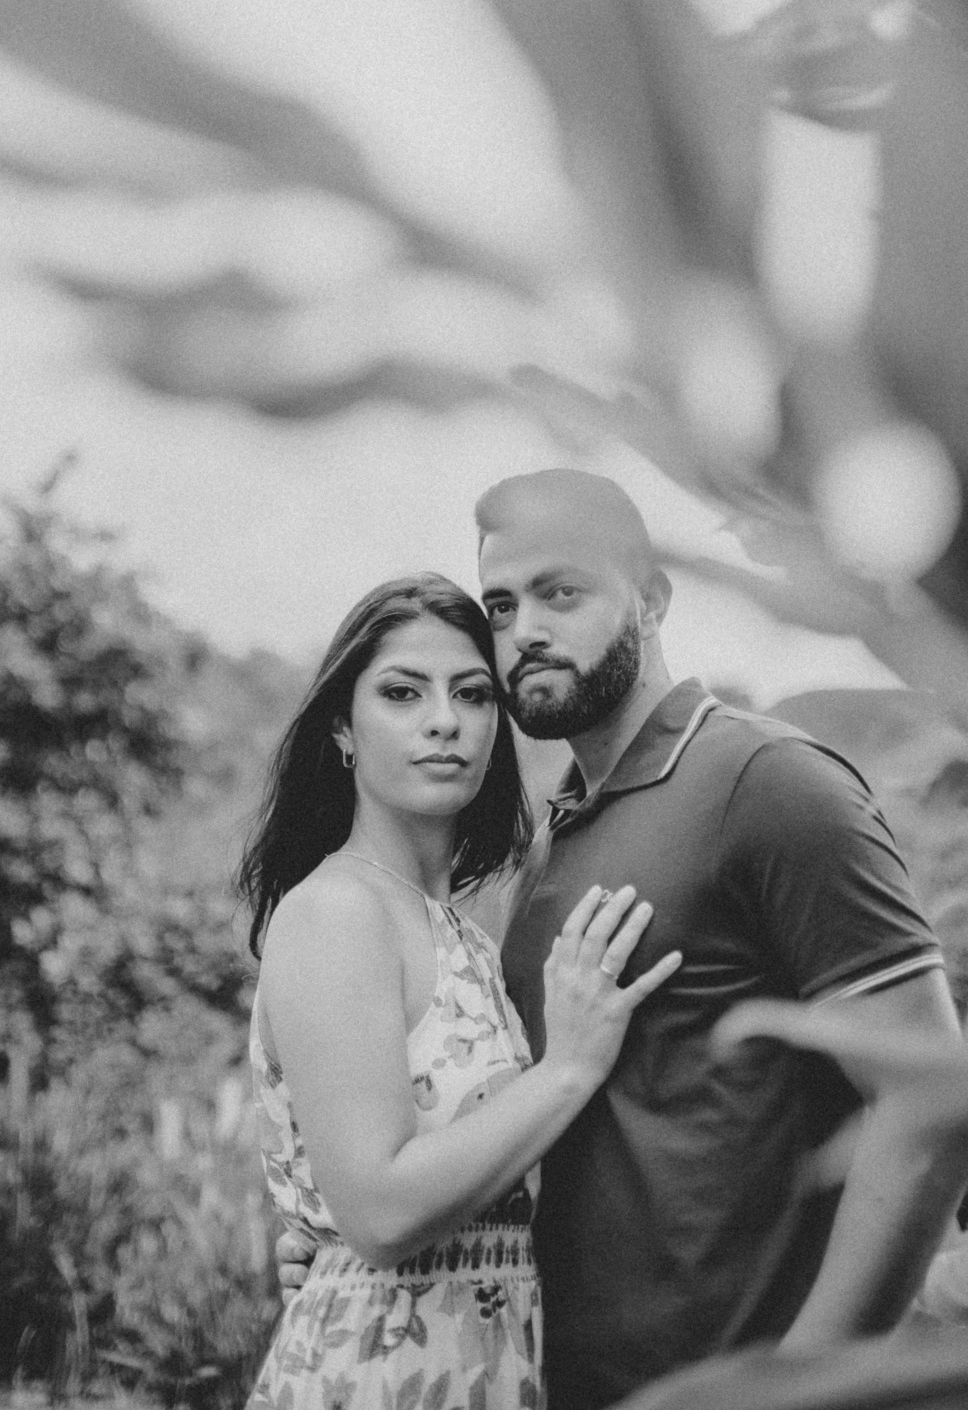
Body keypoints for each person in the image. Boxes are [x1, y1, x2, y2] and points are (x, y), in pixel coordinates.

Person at [278, 471, 968, 1410]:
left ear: (652, 597)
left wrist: (803, 1388)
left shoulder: (770, 784)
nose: (525, 630)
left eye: (561, 592)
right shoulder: (549, 840)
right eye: (501, 605)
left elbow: (928, 1103)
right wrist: (349, 1248)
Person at [236, 572, 682, 1410]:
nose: (444, 720)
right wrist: (568, 1070)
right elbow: (380, 1213)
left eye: (473, 694)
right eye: (402, 692)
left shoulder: (466, 936)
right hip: (380, 1379)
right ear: (341, 727)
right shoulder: (337, 910)